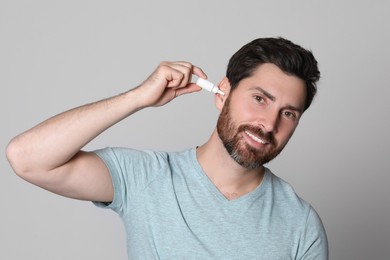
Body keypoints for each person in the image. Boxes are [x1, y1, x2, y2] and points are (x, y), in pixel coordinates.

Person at [6, 37, 328, 259]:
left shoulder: (300, 224)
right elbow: (27, 158)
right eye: (259, 99)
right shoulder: (147, 178)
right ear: (222, 93)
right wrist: (138, 98)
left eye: (288, 113)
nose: (270, 124)